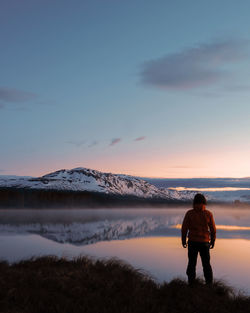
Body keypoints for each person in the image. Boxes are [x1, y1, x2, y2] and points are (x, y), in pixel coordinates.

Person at [181, 193, 216, 285]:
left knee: (192, 264)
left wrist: (183, 240)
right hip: (204, 243)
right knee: (206, 265)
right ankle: (209, 285)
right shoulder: (208, 214)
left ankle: (191, 284)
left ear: (194, 202)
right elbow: (213, 229)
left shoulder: (190, 213)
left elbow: (184, 228)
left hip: (192, 242)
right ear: (204, 202)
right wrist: (212, 241)